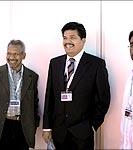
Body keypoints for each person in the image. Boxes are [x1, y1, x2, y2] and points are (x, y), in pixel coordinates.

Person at [42, 22, 111, 150]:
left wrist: (91, 125)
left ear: (83, 40)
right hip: (58, 132)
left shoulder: (96, 64)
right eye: (65, 37)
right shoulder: (55, 63)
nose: (67, 41)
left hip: (82, 134)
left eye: (72, 37)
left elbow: (104, 99)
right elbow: (49, 97)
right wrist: (47, 127)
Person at [0, 40, 40, 150]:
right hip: (0, 127)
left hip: (22, 129)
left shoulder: (32, 76)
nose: (11, 57)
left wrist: (33, 125)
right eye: (9, 53)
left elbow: (35, 103)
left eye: (16, 54)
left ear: (23, 55)